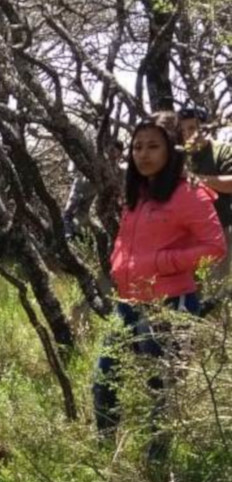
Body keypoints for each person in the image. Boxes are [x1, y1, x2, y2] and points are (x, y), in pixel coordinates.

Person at [93, 112, 226, 458]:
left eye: (153, 145)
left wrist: (161, 263)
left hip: (170, 305)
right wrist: (118, 263)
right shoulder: (137, 193)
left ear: (171, 150)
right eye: (137, 146)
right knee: (104, 380)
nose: (143, 154)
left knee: (160, 393)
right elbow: (127, 241)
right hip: (128, 302)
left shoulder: (190, 194)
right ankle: (105, 456)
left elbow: (215, 247)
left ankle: (157, 469)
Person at [178, 107, 232, 285]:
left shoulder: (222, 151)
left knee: (217, 290)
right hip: (186, 239)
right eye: (183, 130)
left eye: (192, 128)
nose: (187, 134)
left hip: (220, 233)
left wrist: (196, 179)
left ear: (204, 129)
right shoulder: (178, 158)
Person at [63, 139, 124, 240]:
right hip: (81, 187)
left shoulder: (116, 170)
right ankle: (70, 233)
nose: (111, 152)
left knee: (78, 213)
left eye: (114, 150)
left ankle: (75, 234)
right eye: (110, 149)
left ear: (119, 154)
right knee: (70, 212)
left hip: (91, 192)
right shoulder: (97, 160)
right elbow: (76, 166)